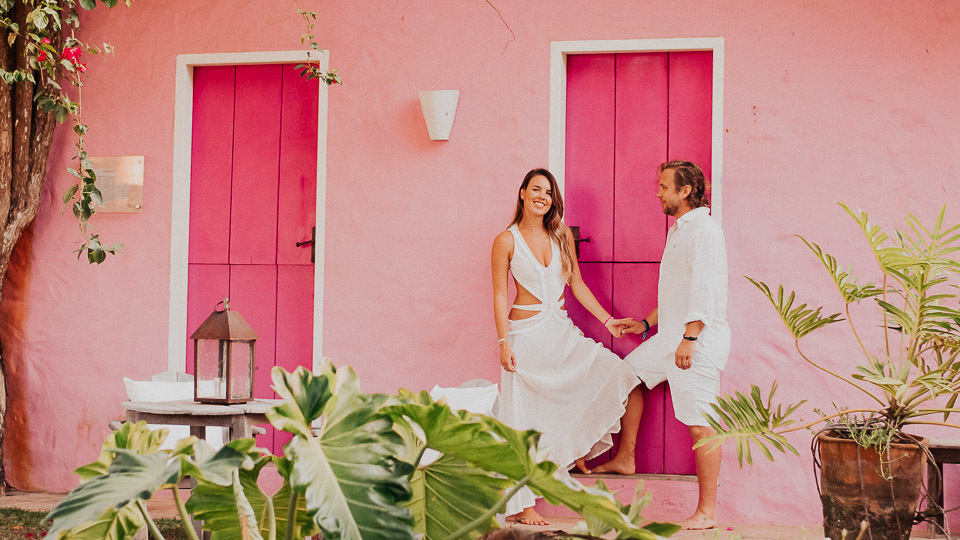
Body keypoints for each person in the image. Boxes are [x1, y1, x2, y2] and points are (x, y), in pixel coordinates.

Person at [491, 168, 643, 526]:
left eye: (548, 192)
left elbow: (576, 283)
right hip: (525, 338)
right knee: (523, 419)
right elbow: (499, 295)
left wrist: (607, 321)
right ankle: (524, 506)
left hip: (560, 332)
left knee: (619, 374)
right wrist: (503, 342)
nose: (542, 197)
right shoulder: (506, 241)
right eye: (536, 189)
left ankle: (586, 451)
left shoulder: (560, 234)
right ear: (523, 193)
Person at [620, 160, 730, 530]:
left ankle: (708, 512)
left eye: (664, 186)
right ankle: (626, 457)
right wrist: (645, 324)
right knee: (626, 375)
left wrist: (690, 337)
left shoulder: (704, 232)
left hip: (694, 344)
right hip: (669, 338)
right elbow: (677, 293)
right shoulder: (679, 230)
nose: (658, 193)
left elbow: (706, 292)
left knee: (701, 426)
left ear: (685, 191)